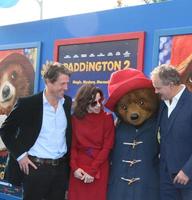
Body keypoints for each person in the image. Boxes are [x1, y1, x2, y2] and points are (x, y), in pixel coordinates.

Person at [0, 62, 72, 200]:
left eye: (67, 83)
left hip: (60, 170)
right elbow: (6, 131)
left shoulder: (67, 103)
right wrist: (20, 156)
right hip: (35, 170)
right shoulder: (28, 104)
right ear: (48, 82)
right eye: (62, 84)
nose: (66, 88)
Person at [150, 64, 192, 200]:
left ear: (171, 84)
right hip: (166, 179)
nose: (156, 92)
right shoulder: (162, 104)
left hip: (191, 179)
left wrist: (188, 171)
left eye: (158, 88)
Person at [68, 84, 115, 200]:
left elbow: (107, 147)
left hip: (99, 166)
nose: (99, 105)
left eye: (100, 101)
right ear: (84, 103)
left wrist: (92, 170)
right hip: (79, 169)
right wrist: (74, 168)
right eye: (94, 103)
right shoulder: (75, 119)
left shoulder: (107, 118)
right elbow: (73, 146)